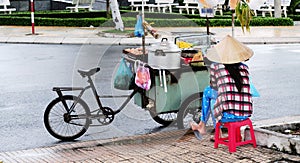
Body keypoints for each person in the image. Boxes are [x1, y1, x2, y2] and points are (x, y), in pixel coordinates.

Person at [191, 35, 254, 139]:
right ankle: (210, 130)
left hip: (227, 116)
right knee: (215, 97)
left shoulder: (216, 67)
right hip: (245, 113)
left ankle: (204, 126)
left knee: (209, 94)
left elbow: (214, 87)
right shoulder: (245, 68)